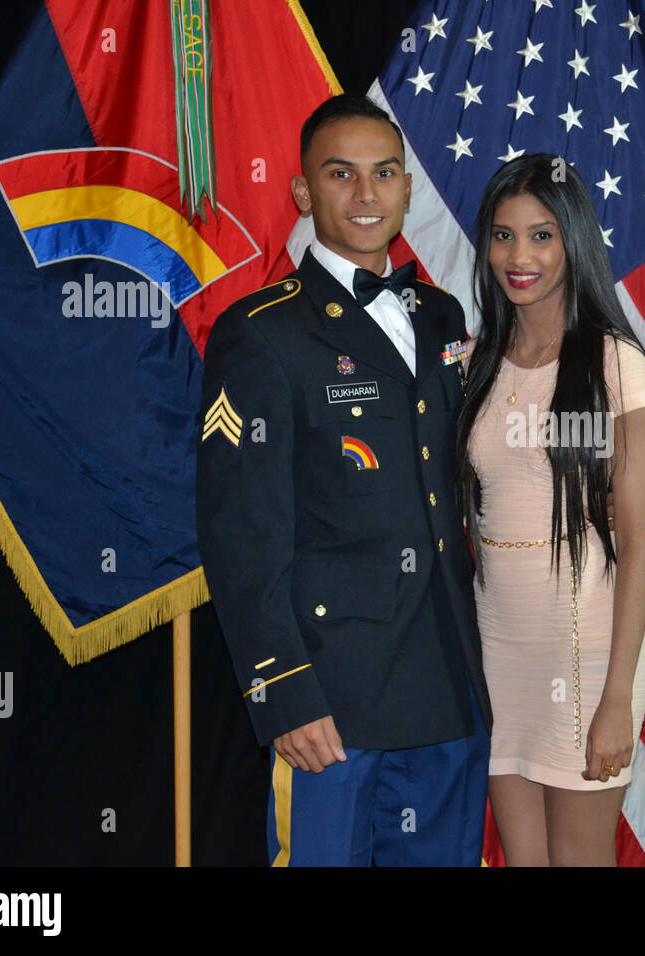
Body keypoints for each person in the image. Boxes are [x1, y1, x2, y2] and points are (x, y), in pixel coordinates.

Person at [196, 93, 491, 866]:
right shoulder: (261, 333)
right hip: (332, 694)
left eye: (384, 173)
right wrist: (282, 690)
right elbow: (239, 533)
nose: (366, 195)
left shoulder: (441, 316)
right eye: (341, 174)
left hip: (449, 678)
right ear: (303, 193)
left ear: (405, 188)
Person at [456, 155, 645, 866]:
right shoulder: (476, 360)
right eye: (504, 236)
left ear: (574, 240)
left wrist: (616, 701)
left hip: (588, 652)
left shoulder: (614, 363)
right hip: (498, 651)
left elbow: (637, 544)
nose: (520, 257)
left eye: (542, 236)